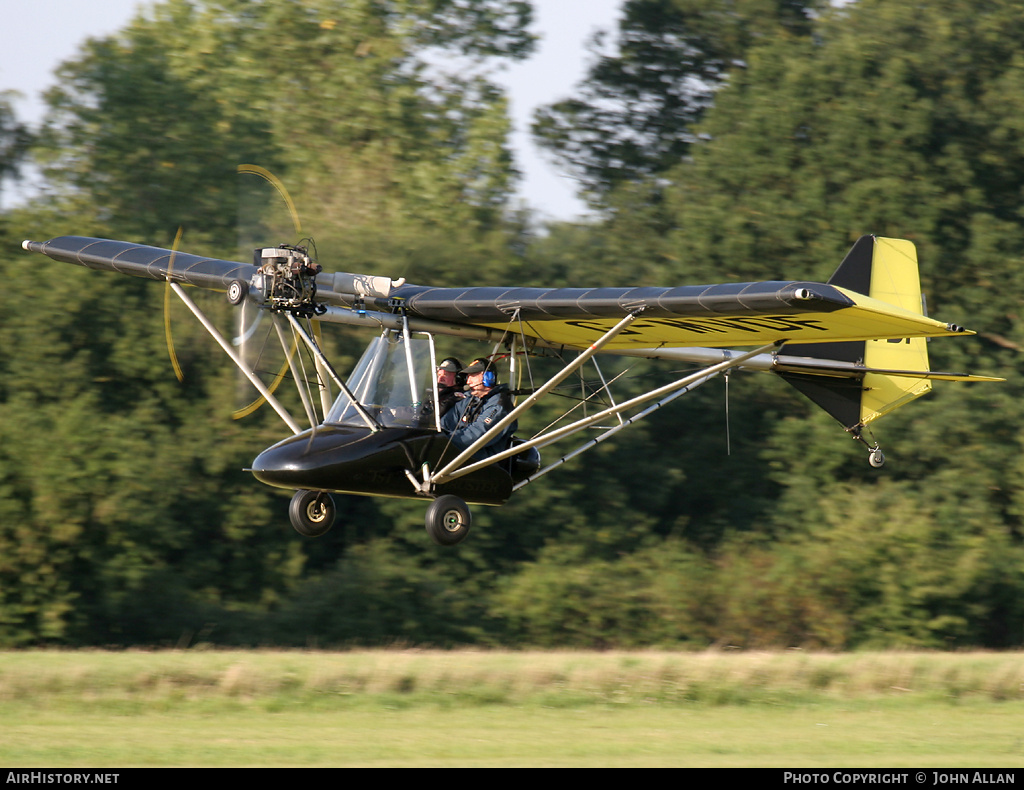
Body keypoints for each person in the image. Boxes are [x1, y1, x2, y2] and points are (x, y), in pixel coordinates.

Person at [441, 357, 516, 460]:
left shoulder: (499, 405)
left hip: (485, 465)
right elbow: (446, 423)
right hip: (463, 459)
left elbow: (476, 435)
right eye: (467, 377)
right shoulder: (468, 399)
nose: (468, 381)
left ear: (488, 377)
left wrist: (444, 441)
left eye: (472, 375)